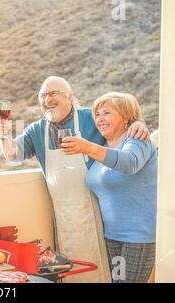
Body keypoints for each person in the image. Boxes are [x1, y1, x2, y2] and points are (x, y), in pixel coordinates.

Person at [0, 76, 149, 282]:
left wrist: (138, 123)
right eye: (42, 96)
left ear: (69, 97)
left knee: (104, 272)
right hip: (63, 216)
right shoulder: (36, 130)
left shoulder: (89, 117)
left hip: (97, 213)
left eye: (53, 93)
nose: (47, 99)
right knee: (71, 271)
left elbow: (116, 119)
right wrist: (2, 135)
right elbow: (13, 154)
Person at [61, 92, 157, 283]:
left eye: (107, 113)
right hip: (111, 236)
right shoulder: (103, 146)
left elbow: (129, 163)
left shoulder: (137, 141)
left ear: (126, 117)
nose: (100, 119)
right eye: (97, 114)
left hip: (137, 236)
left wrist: (88, 147)